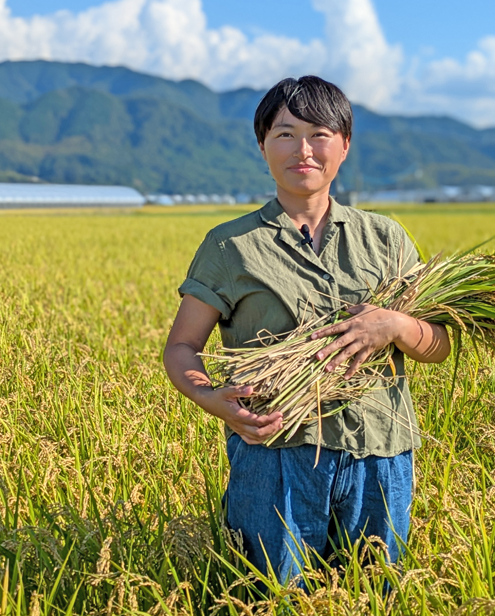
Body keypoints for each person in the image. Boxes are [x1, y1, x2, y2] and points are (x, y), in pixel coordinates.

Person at [163, 75, 450, 583]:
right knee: (272, 595)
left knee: (375, 595)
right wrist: (211, 398)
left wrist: (395, 324)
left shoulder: (385, 239)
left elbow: (438, 346)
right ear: (262, 146)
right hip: (274, 457)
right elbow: (182, 348)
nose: (304, 150)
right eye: (285, 133)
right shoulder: (231, 247)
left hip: (379, 457)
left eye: (319, 134)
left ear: (344, 145)